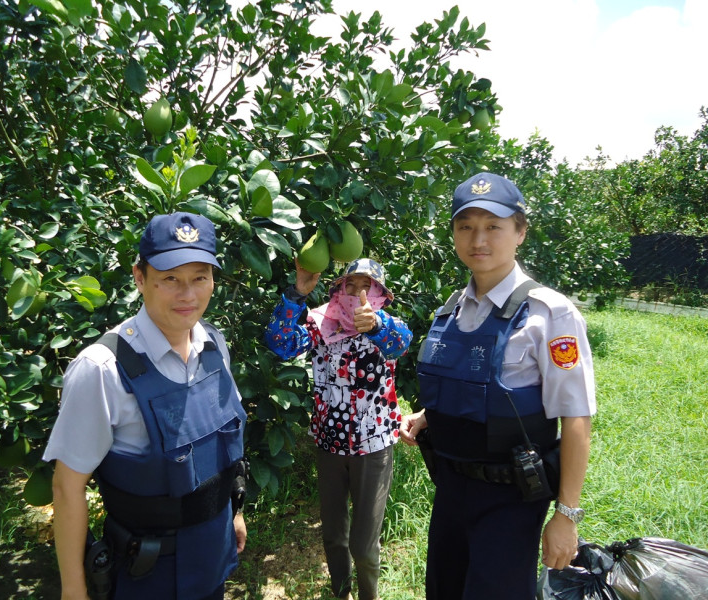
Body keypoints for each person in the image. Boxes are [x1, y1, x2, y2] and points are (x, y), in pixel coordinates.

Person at [400, 172, 596, 600]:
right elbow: (478, 384)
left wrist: (566, 516)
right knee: (444, 591)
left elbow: (576, 417)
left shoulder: (550, 314)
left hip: (511, 498)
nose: (478, 239)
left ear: (520, 231)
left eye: (493, 226)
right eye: (465, 226)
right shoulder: (451, 309)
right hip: (450, 489)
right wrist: (429, 415)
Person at [43, 212, 248, 600]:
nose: (187, 295)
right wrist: (73, 589)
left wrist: (232, 512)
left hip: (212, 559)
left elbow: (222, 449)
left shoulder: (213, 345)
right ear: (140, 278)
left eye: (199, 278)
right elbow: (68, 486)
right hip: (147, 574)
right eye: (170, 279)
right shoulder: (102, 369)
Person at [265, 257, 413, 600]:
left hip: (373, 447)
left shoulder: (389, 327)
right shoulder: (321, 323)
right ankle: (341, 593)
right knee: (333, 536)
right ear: (338, 289)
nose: (359, 292)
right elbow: (281, 343)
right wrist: (297, 293)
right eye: (351, 284)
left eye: (368, 285)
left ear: (380, 293)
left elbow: (400, 344)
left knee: (363, 545)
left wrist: (375, 326)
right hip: (329, 445)